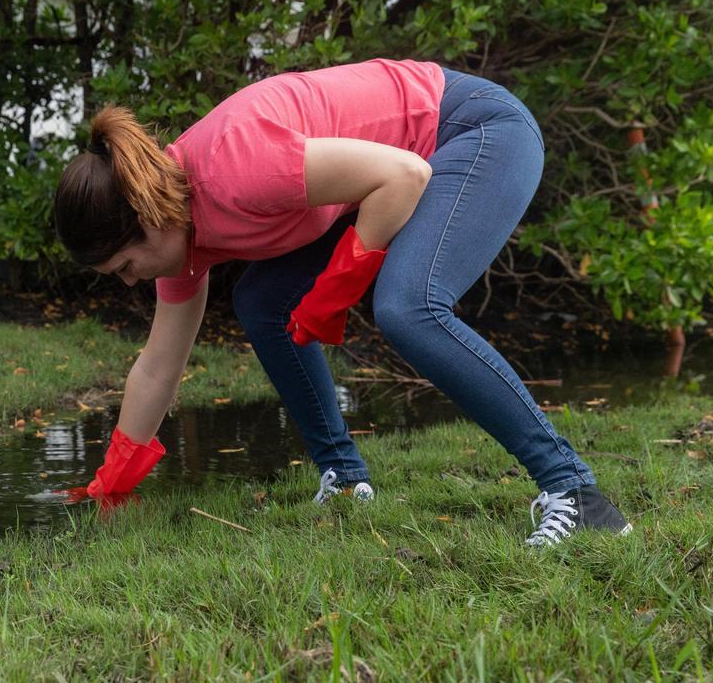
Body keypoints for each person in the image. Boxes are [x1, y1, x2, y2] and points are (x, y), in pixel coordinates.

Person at [53, 59, 632, 546]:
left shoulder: (236, 168)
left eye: (125, 266)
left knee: (409, 308)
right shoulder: (182, 231)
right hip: (394, 172)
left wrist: (336, 289)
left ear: (149, 220)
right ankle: (346, 481)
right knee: (262, 302)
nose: (129, 282)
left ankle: (576, 494)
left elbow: (402, 174)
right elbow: (158, 365)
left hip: (473, 131)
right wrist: (112, 485)